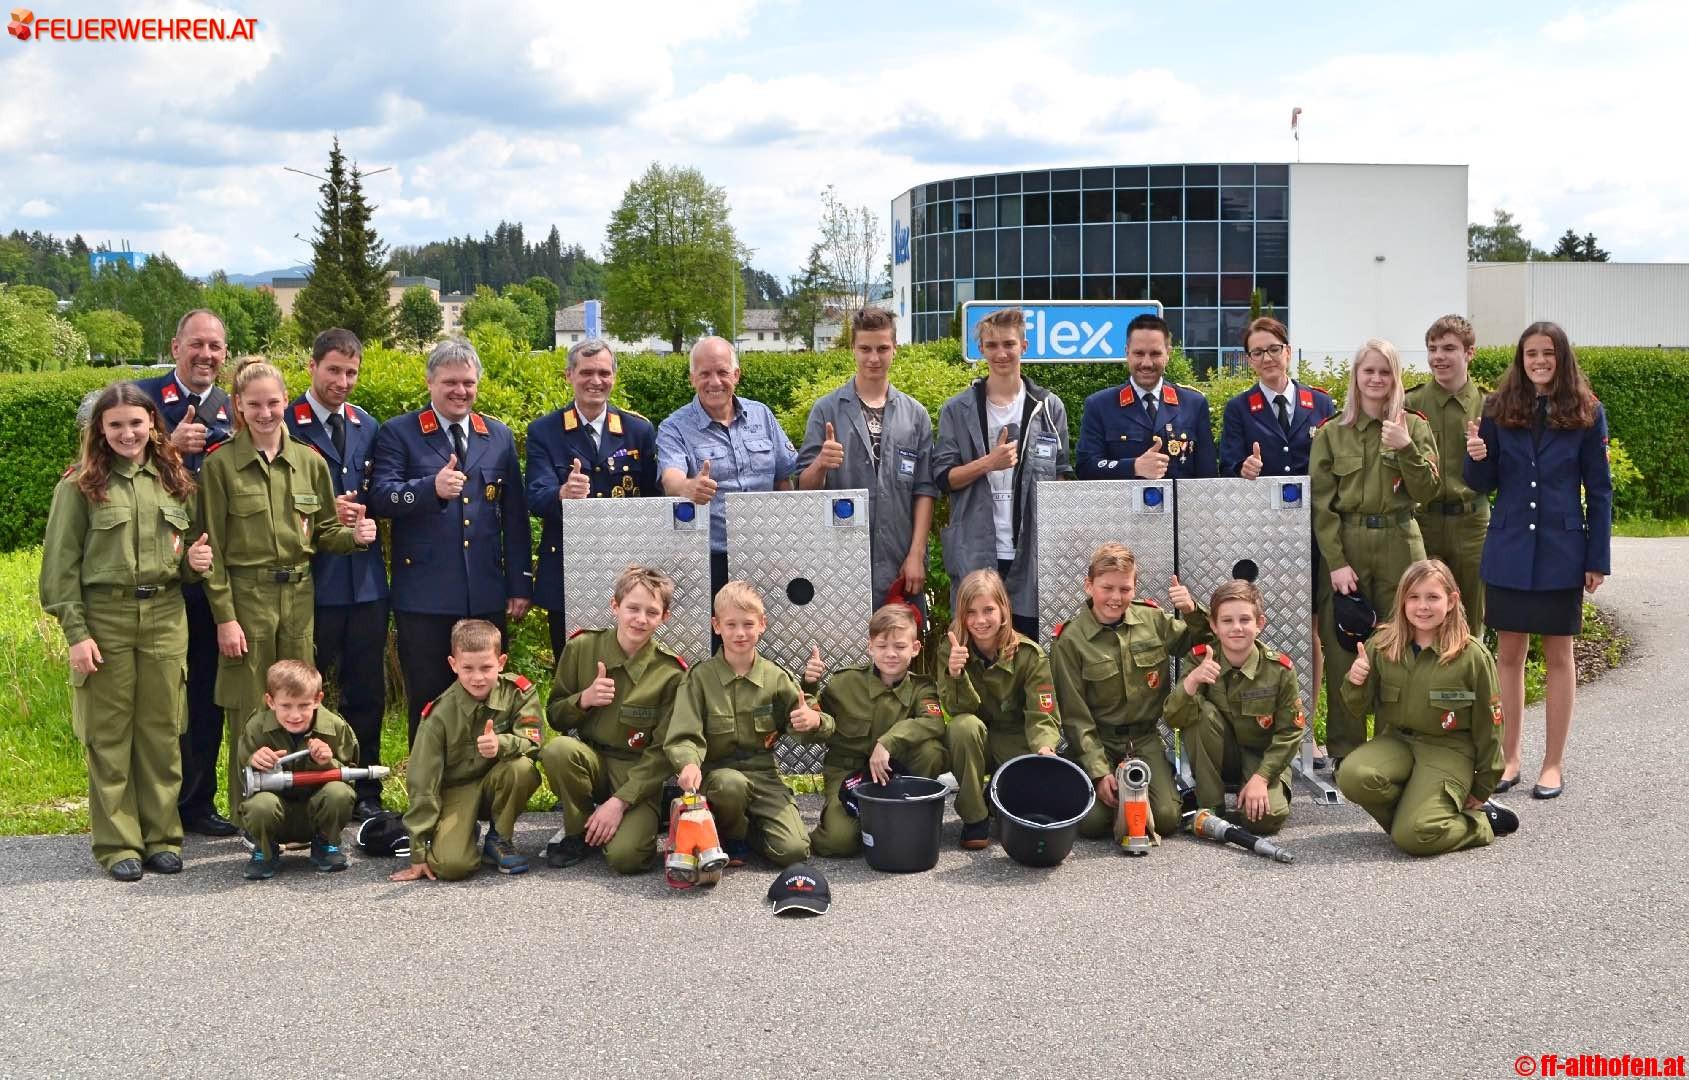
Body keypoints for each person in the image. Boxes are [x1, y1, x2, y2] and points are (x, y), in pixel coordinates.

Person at [39, 383, 214, 880]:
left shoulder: (173, 480)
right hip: (106, 619)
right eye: (115, 424)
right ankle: (118, 843)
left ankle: (162, 836)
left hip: (164, 616)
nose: (127, 433)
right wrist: (77, 634)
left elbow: (185, 556)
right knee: (110, 734)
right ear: (100, 430)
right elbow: (58, 571)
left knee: (161, 732)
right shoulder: (79, 487)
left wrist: (195, 564)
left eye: (136, 423)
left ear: (153, 425)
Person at [199, 358, 375, 828]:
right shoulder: (220, 466)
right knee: (247, 708)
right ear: (238, 405)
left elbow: (324, 534)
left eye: (273, 402)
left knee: (300, 704)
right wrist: (225, 617)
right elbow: (209, 547)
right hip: (247, 597)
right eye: (253, 404)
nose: (265, 412)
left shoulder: (310, 463)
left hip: (298, 597)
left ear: (285, 402)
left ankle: (304, 814)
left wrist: (354, 537)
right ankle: (251, 818)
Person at [1465, 321, 1612, 799]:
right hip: (1508, 550)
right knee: (1507, 654)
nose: (1539, 361)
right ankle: (1509, 759)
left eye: (1547, 353)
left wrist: (1597, 558)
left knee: (1559, 656)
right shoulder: (1498, 407)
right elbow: (1481, 482)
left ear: (1561, 357)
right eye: (1531, 354)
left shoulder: (1588, 413)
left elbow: (1600, 491)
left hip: (1561, 553)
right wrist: (1475, 454)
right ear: (1520, 359)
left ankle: (1553, 763)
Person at [368, 338, 532, 744]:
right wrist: (430, 488)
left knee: (487, 699)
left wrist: (519, 584)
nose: (461, 391)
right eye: (450, 383)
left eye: (468, 383)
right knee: (428, 700)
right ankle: (427, 793)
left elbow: (513, 516)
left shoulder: (497, 435)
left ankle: (480, 789)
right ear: (430, 382)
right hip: (424, 596)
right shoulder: (400, 433)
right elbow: (381, 496)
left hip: (484, 592)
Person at [1309, 338, 1439, 773]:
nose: (1377, 379)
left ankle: (1393, 743)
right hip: (1349, 545)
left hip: (1401, 543)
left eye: (1385, 372)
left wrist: (1405, 447)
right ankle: (1346, 749)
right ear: (1356, 377)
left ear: (1395, 377)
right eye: (1369, 371)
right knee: (1344, 645)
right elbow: (1321, 504)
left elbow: (1428, 491)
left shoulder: (1414, 426)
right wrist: (1336, 561)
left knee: (1399, 644)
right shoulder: (1332, 432)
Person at [135, 309, 238, 837]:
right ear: (175, 347)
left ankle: (197, 801)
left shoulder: (232, 406)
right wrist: (168, 447)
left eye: (215, 347)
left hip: (209, 574)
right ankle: (153, 804)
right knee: (157, 697)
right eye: (196, 344)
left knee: (204, 696)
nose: (206, 355)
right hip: (154, 573)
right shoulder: (141, 399)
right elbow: (104, 470)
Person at [1337, 559, 1519, 854]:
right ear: (1403, 601)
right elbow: (1357, 708)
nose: (1423, 606)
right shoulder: (1384, 645)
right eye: (1414, 597)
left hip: (1448, 750)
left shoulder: (1471, 655)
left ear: (1451, 601)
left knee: (1415, 838)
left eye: (1433, 597)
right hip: (1397, 742)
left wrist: (1483, 784)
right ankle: (1417, 817)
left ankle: (1481, 822)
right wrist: (1356, 680)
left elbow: (1491, 724)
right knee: (1353, 775)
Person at [1218, 316, 1335, 760]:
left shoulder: (1320, 403)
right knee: (1265, 625)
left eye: (1273, 349)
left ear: (1288, 351)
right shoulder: (1238, 408)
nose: (1266, 358)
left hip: (1314, 532)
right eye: (1257, 352)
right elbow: (1227, 468)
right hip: (1263, 535)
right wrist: (1243, 471)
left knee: (1313, 634)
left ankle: (1308, 730)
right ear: (1249, 360)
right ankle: (1265, 728)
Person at [284, 328, 389, 820]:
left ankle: (364, 788)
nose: (343, 381)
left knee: (366, 690)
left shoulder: (368, 425)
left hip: (365, 581)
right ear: (312, 367)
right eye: (334, 370)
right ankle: (307, 790)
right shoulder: (285, 422)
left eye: (352, 372)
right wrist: (326, 510)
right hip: (314, 579)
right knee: (307, 692)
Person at [1049, 542, 1209, 840]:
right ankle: (1090, 786)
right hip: (1099, 740)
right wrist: (1098, 773)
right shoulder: (1069, 641)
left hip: (1144, 738)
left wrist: (1191, 610)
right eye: (1107, 588)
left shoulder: (1153, 620)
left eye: (1125, 589)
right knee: (1092, 823)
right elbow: (1075, 716)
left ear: (1135, 587)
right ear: (1089, 585)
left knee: (1165, 820)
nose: (1115, 598)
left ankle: (1141, 795)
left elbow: (1203, 642)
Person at [665, 581, 829, 867]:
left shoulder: (776, 678)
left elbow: (811, 721)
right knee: (731, 785)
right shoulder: (699, 679)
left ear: (762, 624)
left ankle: (749, 830)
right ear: (716, 626)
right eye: (731, 625)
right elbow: (683, 735)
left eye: (748, 624)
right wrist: (688, 764)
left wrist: (813, 721)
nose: (740, 633)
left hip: (763, 776)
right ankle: (730, 836)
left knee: (793, 852)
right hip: (717, 777)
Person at [933, 307, 1073, 639]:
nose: (1001, 353)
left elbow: (1061, 477)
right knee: (978, 652)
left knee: (1028, 652)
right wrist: (988, 463)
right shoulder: (957, 409)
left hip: (1031, 557)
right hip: (975, 553)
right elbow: (944, 478)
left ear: (1024, 346)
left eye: (1009, 344)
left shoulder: (1049, 407)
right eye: (992, 345)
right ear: (981, 349)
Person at [540, 566, 691, 874]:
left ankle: (641, 817)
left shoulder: (671, 672)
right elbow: (554, 715)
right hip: (590, 761)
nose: (640, 619)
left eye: (652, 612)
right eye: (632, 608)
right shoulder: (582, 648)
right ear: (615, 606)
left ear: (665, 617)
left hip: (636, 772)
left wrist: (619, 802)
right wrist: (583, 700)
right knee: (559, 750)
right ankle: (578, 830)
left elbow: (663, 750)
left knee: (627, 858)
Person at [526, 338, 659, 659]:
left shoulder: (638, 430)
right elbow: (534, 496)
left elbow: (654, 499)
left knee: (631, 665)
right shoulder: (545, 431)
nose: (595, 381)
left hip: (628, 569)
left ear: (614, 376)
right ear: (569, 375)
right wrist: (563, 493)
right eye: (586, 372)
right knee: (572, 667)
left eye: (603, 372)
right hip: (568, 568)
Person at [797, 307, 938, 610]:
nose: (874, 358)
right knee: (845, 653)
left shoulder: (915, 415)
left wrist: (916, 554)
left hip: (900, 559)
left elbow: (924, 490)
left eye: (882, 348)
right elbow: (804, 489)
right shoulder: (826, 410)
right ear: (853, 349)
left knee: (898, 653)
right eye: (865, 349)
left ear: (894, 349)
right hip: (839, 559)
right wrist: (821, 462)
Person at [389, 619, 544, 881]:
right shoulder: (439, 714)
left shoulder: (518, 693)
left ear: (502, 662)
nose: (478, 677)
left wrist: (502, 744)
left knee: (522, 768)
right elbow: (423, 781)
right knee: (452, 867)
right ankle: (461, 832)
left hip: (498, 782)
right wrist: (418, 851)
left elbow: (535, 741)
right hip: (457, 791)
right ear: (453, 665)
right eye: (467, 668)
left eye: (486, 667)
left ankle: (499, 838)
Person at [656, 336, 799, 597]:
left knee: (765, 636)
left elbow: (783, 480)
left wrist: (786, 541)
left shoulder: (762, 415)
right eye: (705, 374)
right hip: (710, 559)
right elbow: (671, 480)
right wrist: (690, 487)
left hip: (767, 556)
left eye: (722, 372)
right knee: (713, 636)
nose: (714, 382)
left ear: (736, 375)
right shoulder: (674, 427)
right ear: (692, 378)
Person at [805, 603, 949, 858]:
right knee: (839, 842)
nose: (891, 654)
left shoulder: (921, 688)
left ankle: (907, 816)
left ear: (915, 648)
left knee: (931, 750)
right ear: (870, 647)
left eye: (900, 646)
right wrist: (810, 686)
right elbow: (815, 726)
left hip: (896, 771)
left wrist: (887, 742)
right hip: (848, 773)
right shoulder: (844, 684)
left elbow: (934, 722)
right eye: (882, 646)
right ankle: (820, 831)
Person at [1163, 580, 1302, 836]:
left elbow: (1290, 733)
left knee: (1267, 819)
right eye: (1227, 621)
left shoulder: (1279, 670)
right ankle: (1211, 808)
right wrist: (1193, 680)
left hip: (1261, 759)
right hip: (1220, 755)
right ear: (1214, 626)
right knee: (1200, 712)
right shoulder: (1200, 657)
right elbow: (1174, 717)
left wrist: (1261, 778)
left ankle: (1248, 794)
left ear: (1259, 624)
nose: (1236, 628)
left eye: (1245, 620)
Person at [938, 569, 1061, 850]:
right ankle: (975, 816)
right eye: (971, 612)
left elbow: (1041, 713)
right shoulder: (951, 648)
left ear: (1004, 610)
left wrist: (1044, 748)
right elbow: (957, 710)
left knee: (1029, 812)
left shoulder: (1028, 654)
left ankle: (998, 797)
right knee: (963, 727)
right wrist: (956, 674)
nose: (980, 620)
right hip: (974, 741)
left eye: (988, 610)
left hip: (1015, 741)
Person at [235, 659, 359, 880]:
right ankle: (265, 849)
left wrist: (327, 762)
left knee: (339, 793)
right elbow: (243, 782)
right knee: (259, 806)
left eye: (303, 705)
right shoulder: (256, 728)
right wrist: (254, 760)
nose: (295, 715)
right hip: (275, 813)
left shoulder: (335, 728)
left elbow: (350, 778)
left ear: (318, 700)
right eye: (286, 706)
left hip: (317, 813)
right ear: (270, 702)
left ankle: (326, 844)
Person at [1405, 315, 1490, 638]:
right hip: (1423, 522)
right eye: (1432, 348)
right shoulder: (1411, 403)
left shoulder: (1488, 405)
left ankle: (1473, 685)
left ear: (1470, 353)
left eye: (1449, 348)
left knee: (1471, 616)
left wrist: (1485, 455)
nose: (1438, 357)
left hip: (1471, 523)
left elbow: (1503, 472)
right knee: (1421, 612)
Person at [1077, 312, 1216, 481]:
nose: (1147, 363)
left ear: (1168, 354)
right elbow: (1086, 467)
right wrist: (1134, 466)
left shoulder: (1194, 404)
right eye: (1139, 353)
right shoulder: (1100, 405)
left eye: (1155, 354)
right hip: (1123, 507)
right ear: (1127, 353)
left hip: (1179, 507)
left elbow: (1208, 476)